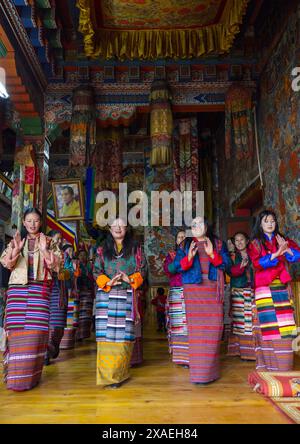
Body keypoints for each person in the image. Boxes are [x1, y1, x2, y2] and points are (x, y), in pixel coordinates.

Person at [0, 208, 61, 391]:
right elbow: (6, 263)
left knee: (36, 332)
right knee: (16, 332)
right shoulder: (16, 241)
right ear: (24, 223)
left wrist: (44, 249)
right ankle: (15, 377)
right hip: (18, 290)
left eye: (36, 221)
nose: (33, 224)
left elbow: (57, 265)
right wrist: (16, 250)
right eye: (29, 221)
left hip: (39, 290)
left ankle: (31, 376)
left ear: (40, 223)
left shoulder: (49, 241)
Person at [173, 216, 230, 384]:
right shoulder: (185, 245)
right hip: (194, 290)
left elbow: (226, 264)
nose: (197, 226)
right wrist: (188, 258)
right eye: (193, 224)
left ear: (207, 225)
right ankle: (199, 375)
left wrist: (212, 253)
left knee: (214, 329)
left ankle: (210, 372)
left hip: (213, 289)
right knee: (197, 332)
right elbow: (176, 266)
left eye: (200, 223)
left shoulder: (218, 244)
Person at [93, 218, 146, 388]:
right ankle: (107, 376)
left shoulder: (136, 249)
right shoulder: (101, 249)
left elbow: (143, 269)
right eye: (114, 225)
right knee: (106, 337)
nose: (117, 228)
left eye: (121, 225)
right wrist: (107, 282)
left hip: (127, 295)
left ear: (126, 228)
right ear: (109, 229)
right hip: (106, 297)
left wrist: (129, 278)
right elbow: (96, 271)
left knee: (124, 336)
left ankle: (119, 375)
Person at [248, 210, 300, 371]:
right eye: (266, 221)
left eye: (272, 221)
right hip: (264, 288)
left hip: (282, 287)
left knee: (286, 326)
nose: (270, 224)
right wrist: (277, 254)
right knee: (269, 325)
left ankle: (284, 365)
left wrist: (286, 249)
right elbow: (258, 263)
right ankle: (269, 365)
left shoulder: (282, 239)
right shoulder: (255, 243)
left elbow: (296, 256)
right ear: (260, 224)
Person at [227, 232, 255, 361]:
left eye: (241, 239)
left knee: (253, 321)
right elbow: (230, 271)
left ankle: (254, 351)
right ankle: (243, 351)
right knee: (240, 322)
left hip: (253, 290)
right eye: (236, 240)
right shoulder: (232, 256)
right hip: (238, 290)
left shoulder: (254, 253)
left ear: (247, 240)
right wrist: (241, 267)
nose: (239, 242)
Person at [163, 230, 189, 366]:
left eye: (184, 237)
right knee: (178, 325)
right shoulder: (171, 255)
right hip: (177, 293)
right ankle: (181, 357)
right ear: (176, 240)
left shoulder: (193, 253)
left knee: (190, 325)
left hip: (191, 292)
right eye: (179, 237)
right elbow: (170, 269)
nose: (182, 239)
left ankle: (192, 355)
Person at [45, 230, 68, 365]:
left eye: (61, 239)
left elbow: (70, 272)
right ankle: (46, 353)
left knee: (58, 325)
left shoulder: (65, 256)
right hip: (45, 291)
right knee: (47, 325)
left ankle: (54, 347)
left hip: (59, 292)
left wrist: (65, 273)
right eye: (57, 239)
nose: (59, 242)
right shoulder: (43, 252)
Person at [60, 244, 80, 349]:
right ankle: (63, 342)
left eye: (72, 250)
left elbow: (76, 278)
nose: (71, 252)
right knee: (66, 313)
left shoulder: (74, 262)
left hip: (71, 289)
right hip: (63, 289)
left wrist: (75, 288)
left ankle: (69, 342)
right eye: (69, 250)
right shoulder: (63, 259)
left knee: (72, 315)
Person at [76, 248, 94, 341]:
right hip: (79, 291)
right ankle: (76, 335)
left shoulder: (90, 266)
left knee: (86, 314)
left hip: (88, 293)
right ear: (78, 257)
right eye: (81, 255)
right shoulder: (76, 265)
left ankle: (83, 335)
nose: (83, 257)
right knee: (77, 313)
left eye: (84, 255)